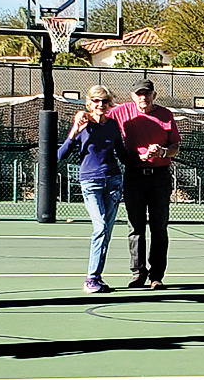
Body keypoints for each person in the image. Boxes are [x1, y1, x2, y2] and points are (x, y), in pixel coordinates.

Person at [109, 79, 181, 289]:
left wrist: (163, 152)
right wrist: (82, 117)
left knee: (159, 228)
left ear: (153, 96)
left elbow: (175, 146)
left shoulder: (166, 115)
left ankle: (156, 276)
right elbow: (99, 115)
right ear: (133, 96)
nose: (143, 97)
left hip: (160, 176)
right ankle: (138, 274)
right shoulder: (121, 112)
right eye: (139, 94)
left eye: (147, 94)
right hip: (134, 176)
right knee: (135, 228)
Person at [56, 85, 127, 293]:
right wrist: (74, 132)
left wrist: (147, 155)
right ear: (89, 103)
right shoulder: (82, 124)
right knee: (100, 226)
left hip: (113, 182)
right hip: (91, 182)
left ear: (109, 104)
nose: (100, 105)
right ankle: (91, 278)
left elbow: (123, 155)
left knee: (106, 231)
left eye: (104, 101)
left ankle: (97, 277)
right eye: (96, 101)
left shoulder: (113, 126)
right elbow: (61, 155)